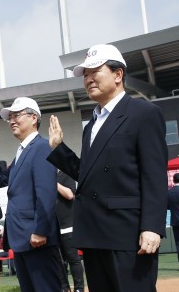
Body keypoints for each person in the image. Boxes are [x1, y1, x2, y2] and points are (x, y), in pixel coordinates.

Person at [48, 44, 168, 292]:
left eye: (95, 71)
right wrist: (59, 149)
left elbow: (154, 175)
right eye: (85, 74)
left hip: (128, 234)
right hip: (94, 234)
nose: (88, 79)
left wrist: (152, 227)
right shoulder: (91, 125)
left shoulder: (143, 113)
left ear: (118, 75)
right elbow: (88, 175)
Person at [0, 97, 62, 292]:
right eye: (9, 117)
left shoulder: (41, 147)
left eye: (17, 115)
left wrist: (41, 230)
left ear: (33, 117)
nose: (12, 120)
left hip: (36, 237)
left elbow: (46, 192)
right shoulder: (23, 151)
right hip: (22, 238)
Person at [55, 170, 84, 292]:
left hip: (68, 226)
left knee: (73, 259)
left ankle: (79, 288)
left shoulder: (67, 175)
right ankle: (64, 288)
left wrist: (54, 183)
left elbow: (70, 195)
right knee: (58, 261)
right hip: (54, 228)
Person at [167, 173, 179, 262]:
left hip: (175, 221)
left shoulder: (169, 192)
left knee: (178, 243)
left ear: (173, 180)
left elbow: (167, 206)